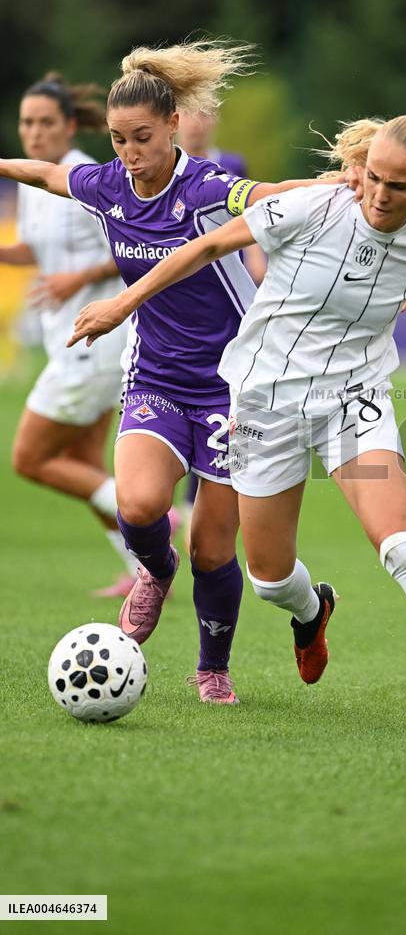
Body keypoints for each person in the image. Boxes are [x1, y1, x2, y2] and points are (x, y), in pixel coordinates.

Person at [68, 113, 406, 745]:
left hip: (354, 405)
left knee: (402, 546)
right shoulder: (312, 208)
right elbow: (207, 246)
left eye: (399, 186)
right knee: (268, 578)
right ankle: (312, 609)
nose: (379, 195)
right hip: (264, 405)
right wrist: (121, 304)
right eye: (374, 178)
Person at [0, 39, 340, 706]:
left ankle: (213, 669)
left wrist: (342, 184)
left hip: (233, 388)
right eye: (119, 140)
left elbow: (272, 194)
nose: (130, 152)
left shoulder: (207, 188)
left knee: (215, 549)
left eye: (143, 138)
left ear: (174, 126)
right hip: (155, 376)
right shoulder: (107, 185)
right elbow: (44, 175)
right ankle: (155, 570)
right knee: (137, 504)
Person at [0, 72, 139, 594]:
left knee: (30, 459)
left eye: (45, 122)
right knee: (83, 465)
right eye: (26, 123)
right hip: (74, 342)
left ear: (69, 126)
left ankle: (155, 520)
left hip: (96, 343)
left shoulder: (87, 179)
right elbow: (38, 249)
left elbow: (133, 248)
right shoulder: (33, 181)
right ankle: (146, 570)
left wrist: (78, 279)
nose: (34, 132)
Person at [176, 110, 266, 556]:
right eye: (190, 115)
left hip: (226, 306)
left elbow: (253, 215)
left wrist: (256, 256)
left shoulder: (230, 164)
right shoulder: (161, 170)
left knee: (224, 407)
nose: (197, 123)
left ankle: (205, 509)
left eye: (206, 114)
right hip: (180, 307)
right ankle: (184, 510)